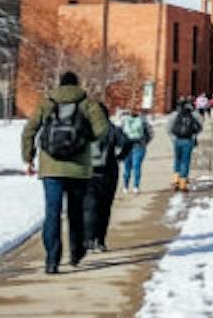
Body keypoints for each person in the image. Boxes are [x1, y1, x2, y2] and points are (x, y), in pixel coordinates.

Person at [20, 71, 110, 274]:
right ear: (77, 84)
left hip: (51, 167)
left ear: (59, 84)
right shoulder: (87, 103)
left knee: (52, 213)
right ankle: (76, 252)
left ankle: (52, 260)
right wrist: (84, 140)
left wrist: (28, 157)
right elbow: (102, 129)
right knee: (75, 212)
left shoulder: (47, 103)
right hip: (78, 168)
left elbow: (29, 130)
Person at [86, 105, 133, 253]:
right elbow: (126, 142)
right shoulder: (112, 129)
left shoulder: (85, 130)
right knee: (105, 207)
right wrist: (121, 157)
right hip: (109, 172)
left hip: (89, 172)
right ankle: (100, 240)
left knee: (89, 207)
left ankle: (88, 239)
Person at [169, 96, 202, 192]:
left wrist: (173, 137)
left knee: (177, 160)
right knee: (185, 161)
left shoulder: (177, 114)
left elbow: (170, 127)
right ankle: (182, 183)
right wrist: (194, 134)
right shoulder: (193, 114)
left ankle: (175, 179)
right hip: (188, 140)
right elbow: (199, 126)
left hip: (177, 139)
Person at [117, 106, 152, 193]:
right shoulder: (143, 120)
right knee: (137, 167)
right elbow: (150, 133)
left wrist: (121, 144)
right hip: (139, 145)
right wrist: (145, 142)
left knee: (127, 167)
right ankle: (136, 186)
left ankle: (125, 186)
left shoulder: (124, 121)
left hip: (127, 146)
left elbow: (118, 134)